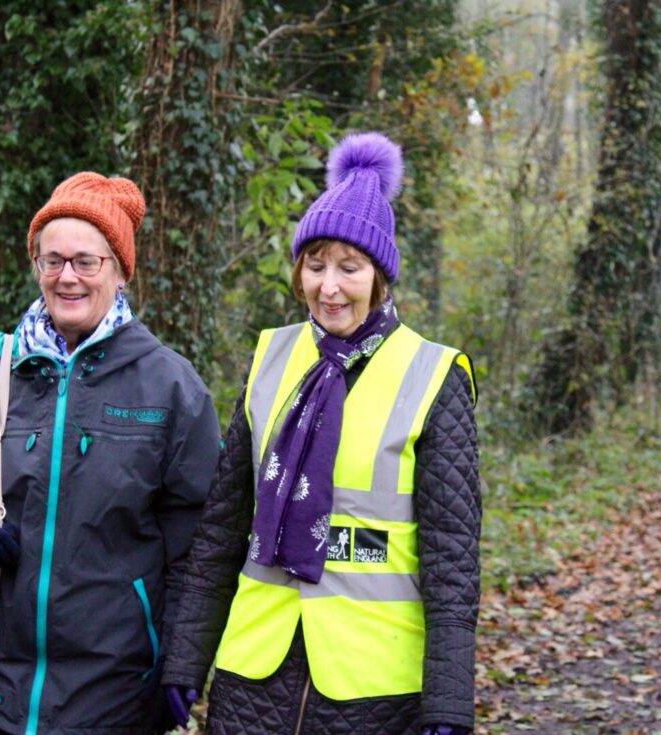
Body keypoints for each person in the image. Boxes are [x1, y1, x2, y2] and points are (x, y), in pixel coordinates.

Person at [161, 133, 481, 734]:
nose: (328, 286)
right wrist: (187, 658)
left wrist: (448, 700)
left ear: (380, 277)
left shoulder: (434, 375)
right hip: (254, 670)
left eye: (349, 267)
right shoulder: (271, 358)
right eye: (315, 264)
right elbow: (221, 531)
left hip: (373, 685)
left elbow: (452, 559)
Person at [0, 172, 221, 735]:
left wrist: (179, 661)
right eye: (53, 260)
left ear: (119, 272)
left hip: (113, 697)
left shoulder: (170, 389)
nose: (67, 276)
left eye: (86, 261)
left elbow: (200, 544)